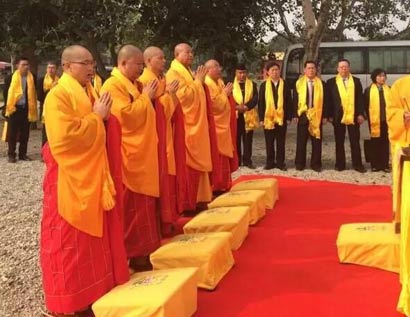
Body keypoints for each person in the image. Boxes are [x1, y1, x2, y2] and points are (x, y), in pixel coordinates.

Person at [40, 45, 129, 317]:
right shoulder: (58, 96)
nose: (91, 68)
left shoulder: (88, 91)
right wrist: (97, 118)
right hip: (70, 180)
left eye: (92, 63)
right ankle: (71, 302)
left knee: (93, 244)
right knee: (69, 245)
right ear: (66, 66)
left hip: (92, 175)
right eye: (84, 63)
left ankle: (95, 291)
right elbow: (64, 140)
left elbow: (104, 123)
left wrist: (104, 119)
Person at [100, 45, 161, 269]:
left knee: (144, 207)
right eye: (138, 65)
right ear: (123, 63)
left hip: (141, 153)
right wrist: (146, 98)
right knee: (132, 208)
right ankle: (132, 254)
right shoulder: (112, 85)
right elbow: (125, 118)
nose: (140, 69)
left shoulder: (135, 85)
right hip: (128, 155)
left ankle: (142, 253)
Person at [139, 46, 185, 236]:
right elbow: (154, 111)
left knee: (167, 177)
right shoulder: (145, 81)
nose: (164, 60)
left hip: (165, 133)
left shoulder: (161, 79)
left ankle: (167, 220)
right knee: (160, 178)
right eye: (160, 58)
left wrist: (169, 96)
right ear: (148, 61)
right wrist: (167, 96)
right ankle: (160, 223)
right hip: (155, 138)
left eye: (164, 57)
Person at [166, 43, 213, 210]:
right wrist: (198, 83)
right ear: (177, 54)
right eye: (188, 52)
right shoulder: (173, 73)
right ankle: (188, 202)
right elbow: (182, 98)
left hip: (195, 125)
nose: (191, 55)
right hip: (185, 127)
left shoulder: (186, 71)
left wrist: (197, 82)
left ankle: (200, 198)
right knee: (187, 166)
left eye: (192, 52)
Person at [388, 74, 410, 316]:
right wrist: (403, 117)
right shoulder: (401, 86)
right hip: (406, 144)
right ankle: (402, 221)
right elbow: (391, 113)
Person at [325, 58, 366, 173]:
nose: (344, 69)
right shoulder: (331, 82)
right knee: (339, 141)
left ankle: (357, 164)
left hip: (353, 115)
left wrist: (360, 114)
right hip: (338, 116)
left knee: (355, 141)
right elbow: (329, 101)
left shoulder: (356, 81)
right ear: (338, 69)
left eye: (346, 67)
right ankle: (340, 164)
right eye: (341, 67)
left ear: (349, 68)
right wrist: (329, 115)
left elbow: (360, 100)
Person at [204, 59, 236, 192]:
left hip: (223, 125)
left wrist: (225, 94)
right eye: (216, 67)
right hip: (215, 126)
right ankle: (216, 186)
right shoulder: (207, 83)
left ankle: (223, 184)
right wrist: (225, 94)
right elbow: (213, 106)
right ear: (207, 70)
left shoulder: (220, 82)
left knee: (224, 157)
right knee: (216, 156)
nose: (219, 69)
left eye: (219, 66)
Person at [258, 61, 292, 171]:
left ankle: (281, 163)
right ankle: (270, 162)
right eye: (272, 70)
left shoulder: (285, 84)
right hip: (268, 118)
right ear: (268, 72)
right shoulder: (264, 85)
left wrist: (288, 117)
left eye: (277, 70)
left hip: (281, 118)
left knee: (281, 141)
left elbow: (288, 102)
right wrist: (261, 118)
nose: (275, 72)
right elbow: (261, 102)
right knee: (269, 141)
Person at [4, 57, 37, 163]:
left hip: (26, 109)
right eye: (23, 64)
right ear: (17, 66)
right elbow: (6, 94)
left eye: (27, 64)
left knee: (25, 133)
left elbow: (33, 94)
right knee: (12, 133)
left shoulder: (32, 77)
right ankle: (11, 155)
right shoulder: (10, 78)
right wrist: (7, 108)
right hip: (14, 108)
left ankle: (23, 154)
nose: (26, 67)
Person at [294, 60, 325, 172]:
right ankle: (299, 163)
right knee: (301, 141)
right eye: (309, 68)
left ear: (316, 70)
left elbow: (326, 101)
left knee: (316, 141)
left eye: (313, 68)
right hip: (303, 114)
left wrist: (325, 116)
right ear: (304, 70)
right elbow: (295, 100)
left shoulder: (322, 84)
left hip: (317, 115)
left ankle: (316, 164)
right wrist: (295, 115)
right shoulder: (299, 83)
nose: (311, 70)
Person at [363, 68, 391, 172]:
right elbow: (365, 105)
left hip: (386, 120)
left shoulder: (389, 89)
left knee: (385, 142)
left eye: (383, 76)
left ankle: (385, 164)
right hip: (374, 120)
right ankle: (375, 164)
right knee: (375, 142)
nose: (382, 78)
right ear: (374, 78)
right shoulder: (368, 90)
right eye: (379, 76)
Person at [232, 63, 258, 169]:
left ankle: (247, 160)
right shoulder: (230, 84)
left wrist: (247, 106)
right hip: (236, 115)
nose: (242, 75)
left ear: (246, 73)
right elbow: (228, 97)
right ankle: (237, 161)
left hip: (248, 114)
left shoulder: (252, 84)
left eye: (244, 73)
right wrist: (237, 107)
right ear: (236, 73)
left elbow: (255, 98)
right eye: (240, 73)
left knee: (248, 139)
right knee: (236, 138)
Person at [37, 61, 59, 146]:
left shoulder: (59, 80)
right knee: (46, 132)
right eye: (49, 67)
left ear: (56, 69)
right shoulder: (41, 80)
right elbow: (39, 97)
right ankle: (44, 152)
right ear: (46, 69)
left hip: (57, 109)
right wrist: (51, 90)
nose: (51, 70)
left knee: (56, 131)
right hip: (45, 109)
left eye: (53, 68)